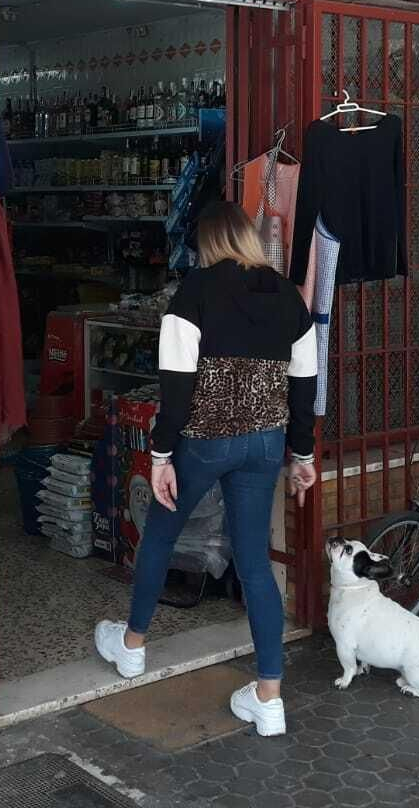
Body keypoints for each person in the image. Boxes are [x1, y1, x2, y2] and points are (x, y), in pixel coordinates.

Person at [94, 201, 318, 736]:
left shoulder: (194, 291)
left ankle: (132, 646)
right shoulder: (288, 296)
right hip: (265, 444)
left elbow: (176, 384)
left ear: (206, 245)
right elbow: (305, 385)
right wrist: (304, 456)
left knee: (159, 536)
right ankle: (269, 698)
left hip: (205, 441)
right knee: (256, 564)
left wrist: (162, 454)